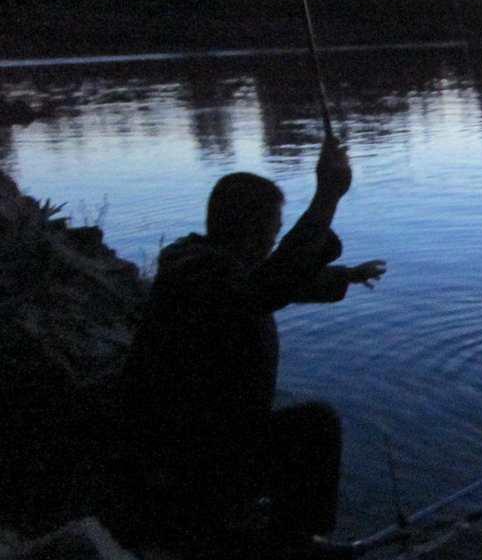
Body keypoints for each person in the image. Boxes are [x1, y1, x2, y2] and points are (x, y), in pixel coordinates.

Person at [116, 136, 385, 557]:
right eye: (274, 230)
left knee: (309, 425)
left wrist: (345, 275)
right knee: (314, 428)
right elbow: (266, 285)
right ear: (251, 227)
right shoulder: (199, 272)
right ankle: (281, 541)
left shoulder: (209, 264)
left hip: (206, 441)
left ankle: (273, 531)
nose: (275, 240)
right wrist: (327, 196)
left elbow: (275, 280)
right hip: (180, 460)